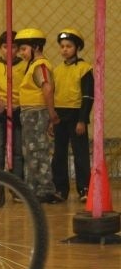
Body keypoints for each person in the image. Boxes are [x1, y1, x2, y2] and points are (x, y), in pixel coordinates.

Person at [14, 28, 63, 204]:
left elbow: (47, 88)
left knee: (38, 151)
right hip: (29, 113)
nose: (21, 53)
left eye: (24, 49)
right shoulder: (32, 65)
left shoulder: (40, 66)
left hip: (36, 113)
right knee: (30, 152)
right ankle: (33, 188)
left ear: (36, 47)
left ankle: (45, 189)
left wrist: (51, 114)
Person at [51, 28, 94, 202]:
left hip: (76, 115)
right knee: (59, 154)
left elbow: (88, 96)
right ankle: (61, 190)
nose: (64, 50)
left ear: (77, 48)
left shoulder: (84, 69)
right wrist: (52, 119)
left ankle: (84, 189)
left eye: (69, 46)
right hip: (60, 116)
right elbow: (53, 95)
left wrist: (82, 120)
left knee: (80, 153)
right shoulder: (57, 70)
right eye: (62, 46)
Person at [0, 30, 25, 179]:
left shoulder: (25, 66)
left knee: (18, 150)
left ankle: (17, 186)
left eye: (14, 47)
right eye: (5, 46)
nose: (9, 50)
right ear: (0, 48)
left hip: (18, 112)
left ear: (18, 49)